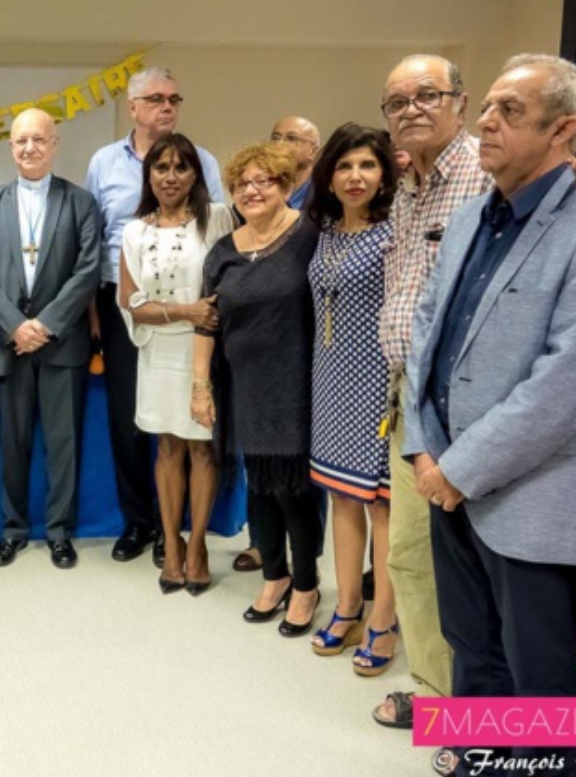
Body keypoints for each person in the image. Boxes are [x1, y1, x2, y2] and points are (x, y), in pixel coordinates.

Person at [405, 54, 576, 777]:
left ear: (563, 131)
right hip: (444, 479)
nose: (485, 121)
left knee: (542, 683)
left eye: (510, 111)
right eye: (489, 107)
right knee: (473, 656)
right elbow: (426, 334)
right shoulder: (478, 213)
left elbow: (571, 384)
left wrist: (461, 469)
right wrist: (424, 449)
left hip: (533, 498)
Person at [372, 53, 491, 732]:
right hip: (408, 395)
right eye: (396, 101)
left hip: (475, 403)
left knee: (485, 565)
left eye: (427, 95)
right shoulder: (406, 188)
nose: (411, 109)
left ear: (460, 103)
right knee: (412, 554)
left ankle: (494, 710)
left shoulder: (488, 175)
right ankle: (442, 697)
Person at [85, 67, 223, 569]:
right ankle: (140, 522)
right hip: (121, 302)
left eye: (174, 99)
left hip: (198, 311)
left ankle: (184, 533)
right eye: (156, 99)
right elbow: (92, 238)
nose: (167, 107)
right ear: (133, 106)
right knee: (130, 420)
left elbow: (221, 241)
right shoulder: (104, 162)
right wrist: (93, 313)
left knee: (192, 426)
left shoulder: (201, 159)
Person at [192, 142, 321, 637]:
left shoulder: (310, 237)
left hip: (296, 382)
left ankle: (306, 585)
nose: (252, 190)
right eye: (242, 183)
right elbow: (207, 322)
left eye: (264, 180)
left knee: (293, 489)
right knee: (259, 485)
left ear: (286, 185)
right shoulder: (223, 251)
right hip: (241, 384)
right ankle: (274, 574)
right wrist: (201, 388)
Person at [0, 108, 100, 569]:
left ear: (54, 144)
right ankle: (13, 530)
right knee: (13, 443)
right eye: (21, 140)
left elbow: (87, 271)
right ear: (11, 147)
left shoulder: (80, 202)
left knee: (63, 443)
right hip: (10, 345)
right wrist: (15, 326)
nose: (30, 148)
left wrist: (44, 325)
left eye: (39, 140)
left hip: (61, 344)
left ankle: (60, 533)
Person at [301, 124, 400, 674]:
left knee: (380, 502)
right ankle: (347, 607)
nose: (355, 176)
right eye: (344, 166)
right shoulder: (325, 231)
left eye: (366, 165)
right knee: (342, 497)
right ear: (329, 175)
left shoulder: (394, 233)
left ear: (384, 172)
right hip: (330, 378)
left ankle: (383, 620)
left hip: (378, 383)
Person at [118, 133, 234, 594]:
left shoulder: (218, 219)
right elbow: (131, 303)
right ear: (148, 175)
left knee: (202, 447)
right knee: (167, 446)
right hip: (158, 351)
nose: (170, 177)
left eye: (181, 167)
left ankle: (199, 544)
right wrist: (184, 310)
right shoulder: (135, 230)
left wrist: (192, 316)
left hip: (204, 351)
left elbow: (229, 290)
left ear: (195, 174)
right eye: (161, 168)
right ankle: (170, 541)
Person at [271, 115, 321, 210]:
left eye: (291, 138)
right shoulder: (258, 191)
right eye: (275, 138)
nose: (279, 144)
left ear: (313, 151)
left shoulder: (325, 195)